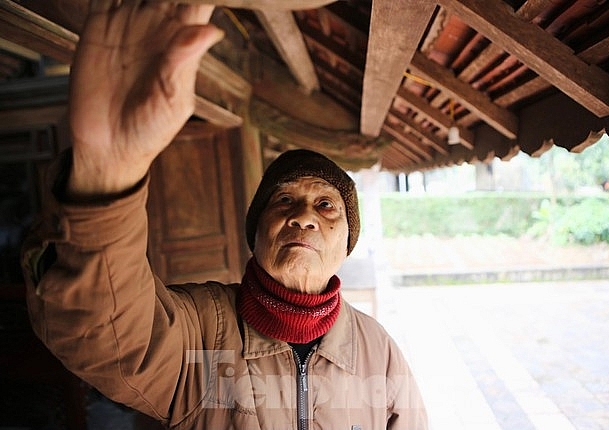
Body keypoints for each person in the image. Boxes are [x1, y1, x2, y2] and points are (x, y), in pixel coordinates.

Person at [21, 1, 427, 429]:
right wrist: (106, 172)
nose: (304, 217)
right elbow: (107, 337)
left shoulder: (377, 352)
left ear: (348, 241)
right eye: (284, 201)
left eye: (326, 205)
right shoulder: (203, 336)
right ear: (255, 233)